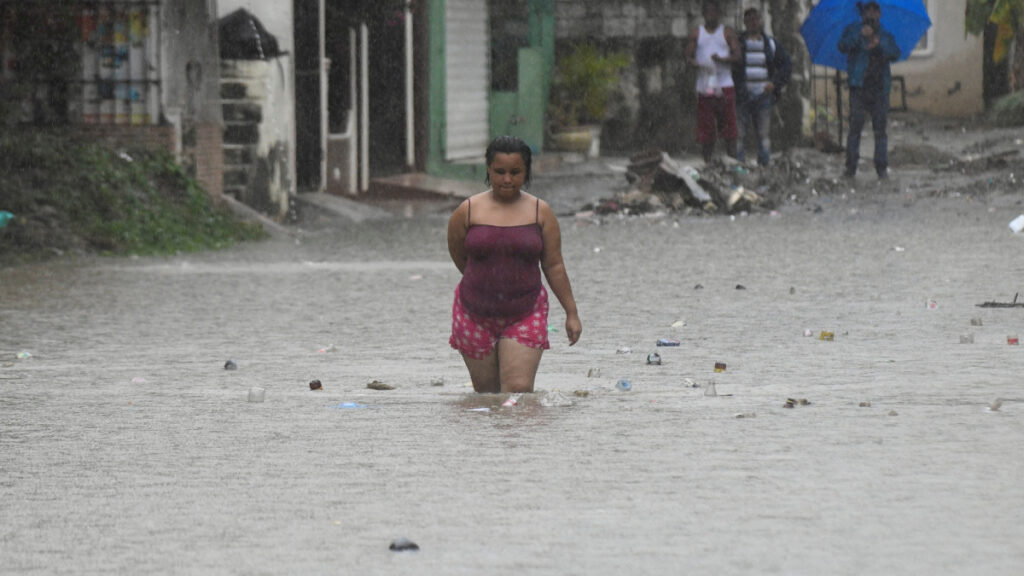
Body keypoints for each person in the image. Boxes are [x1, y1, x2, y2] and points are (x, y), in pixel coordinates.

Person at [447, 135, 582, 394]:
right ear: (488, 170)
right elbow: (458, 252)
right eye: (499, 172)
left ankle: (522, 438)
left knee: (517, 393)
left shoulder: (540, 212)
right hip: (473, 313)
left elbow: (554, 266)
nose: (507, 179)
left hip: (525, 312)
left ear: (526, 172)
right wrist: (486, 278)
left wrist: (571, 312)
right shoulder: (468, 210)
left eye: (515, 172)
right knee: (487, 396)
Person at [837, 1, 900, 180]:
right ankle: (850, 168)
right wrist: (859, 36)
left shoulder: (885, 34)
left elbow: (895, 53)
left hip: (880, 88)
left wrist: (878, 44)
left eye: (875, 11)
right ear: (863, 14)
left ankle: (881, 168)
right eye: (868, 11)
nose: (871, 14)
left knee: (880, 131)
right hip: (859, 87)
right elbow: (842, 46)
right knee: (855, 128)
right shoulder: (853, 29)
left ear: (879, 14)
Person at [732, 7, 791, 167]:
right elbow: (731, 66)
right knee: (739, 135)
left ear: (761, 21)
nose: (753, 23)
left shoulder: (770, 44)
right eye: (749, 20)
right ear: (745, 23)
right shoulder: (738, 44)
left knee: (763, 136)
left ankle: (764, 167)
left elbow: (786, 65)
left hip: (763, 96)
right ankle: (739, 167)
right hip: (743, 96)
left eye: (756, 19)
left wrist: (775, 83)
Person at [686, 0, 741, 164]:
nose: (712, 15)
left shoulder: (727, 32)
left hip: (724, 85)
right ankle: (708, 163)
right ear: (703, 14)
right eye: (708, 12)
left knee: (729, 128)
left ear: (719, 14)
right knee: (706, 128)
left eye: (714, 12)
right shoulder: (697, 33)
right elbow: (688, 57)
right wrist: (696, 63)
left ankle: (732, 162)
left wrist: (722, 60)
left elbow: (737, 56)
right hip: (704, 86)